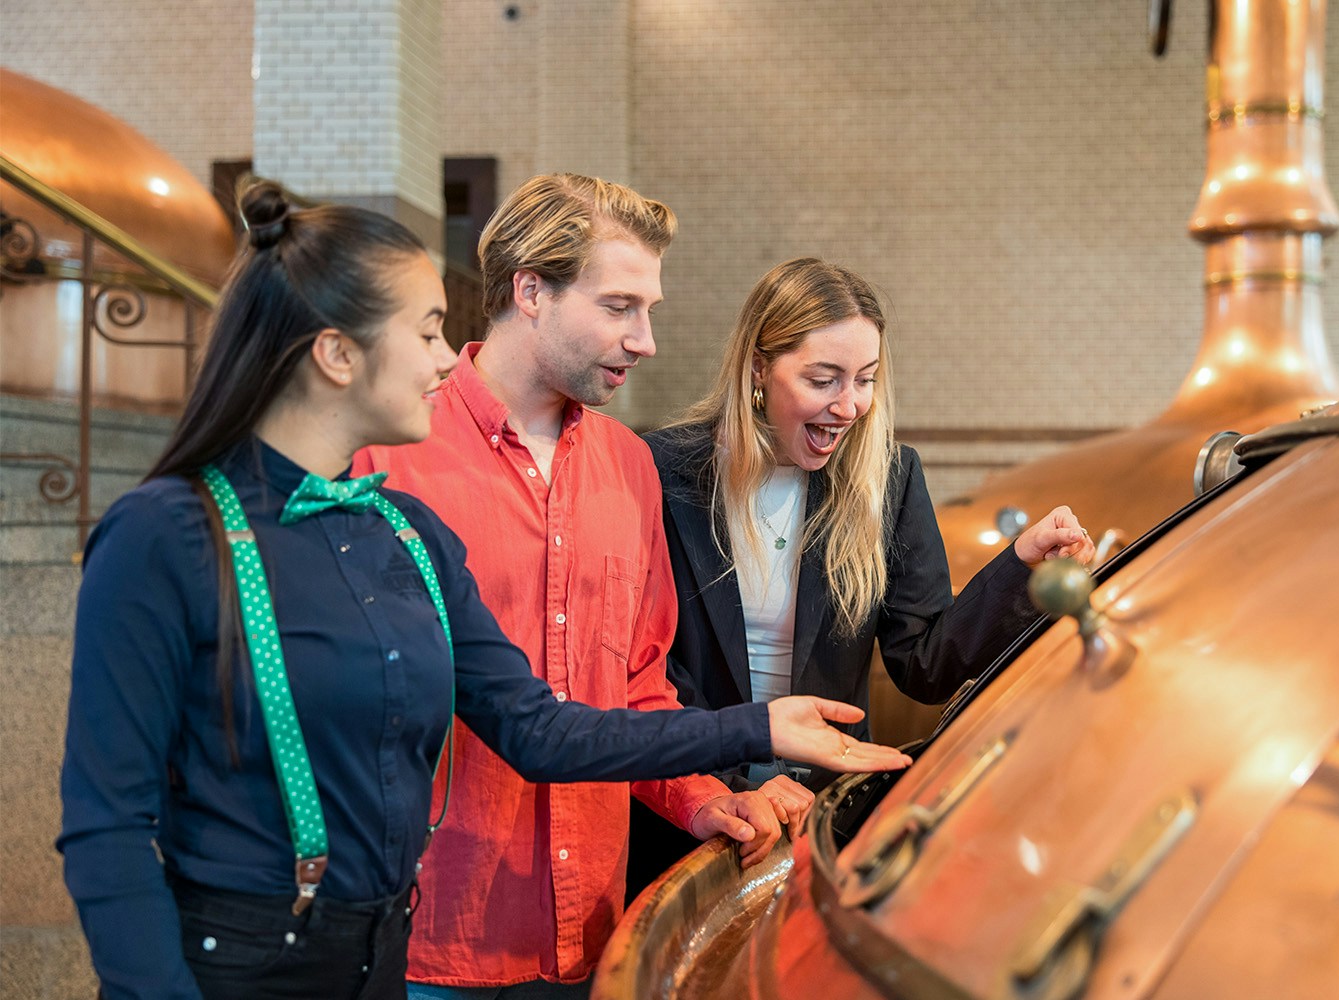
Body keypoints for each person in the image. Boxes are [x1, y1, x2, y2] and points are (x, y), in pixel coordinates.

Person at [57, 185, 909, 1000]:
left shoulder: (409, 526)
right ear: (336, 353)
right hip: (323, 944)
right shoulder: (189, 526)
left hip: (454, 942)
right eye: (427, 330)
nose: (441, 357)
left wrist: (739, 748)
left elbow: (544, 725)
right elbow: (113, 825)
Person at [352, 173, 812, 999]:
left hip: (596, 934)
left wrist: (704, 799)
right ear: (530, 291)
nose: (646, 340)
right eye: (619, 307)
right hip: (429, 936)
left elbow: (636, 689)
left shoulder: (630, 467)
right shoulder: (387, 456)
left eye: (650, 311)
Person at [626, 257, 1094, 890]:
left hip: (826, 814)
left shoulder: (890, 478)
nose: (849, 407)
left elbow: (924, 663)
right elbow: (649, 669)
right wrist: (735, 787)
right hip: (695, 809)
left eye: (865, 380)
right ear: (759, 369)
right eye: (824, 379)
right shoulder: (660, 468)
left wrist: (1020, 569)